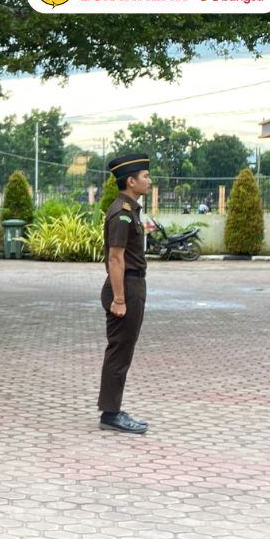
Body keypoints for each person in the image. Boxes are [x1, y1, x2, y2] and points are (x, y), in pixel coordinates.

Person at [98, 152, 153, 434]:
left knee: (123, 350)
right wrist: (119, 299)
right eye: (145, 176)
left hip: (132, 285)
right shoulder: (122, 213)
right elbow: (115, 258)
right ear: (131, 181)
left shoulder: (129, 210)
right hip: (125, 287)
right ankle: (110, 414)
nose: (149, 180)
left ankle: (113, 409)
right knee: (119, 351)